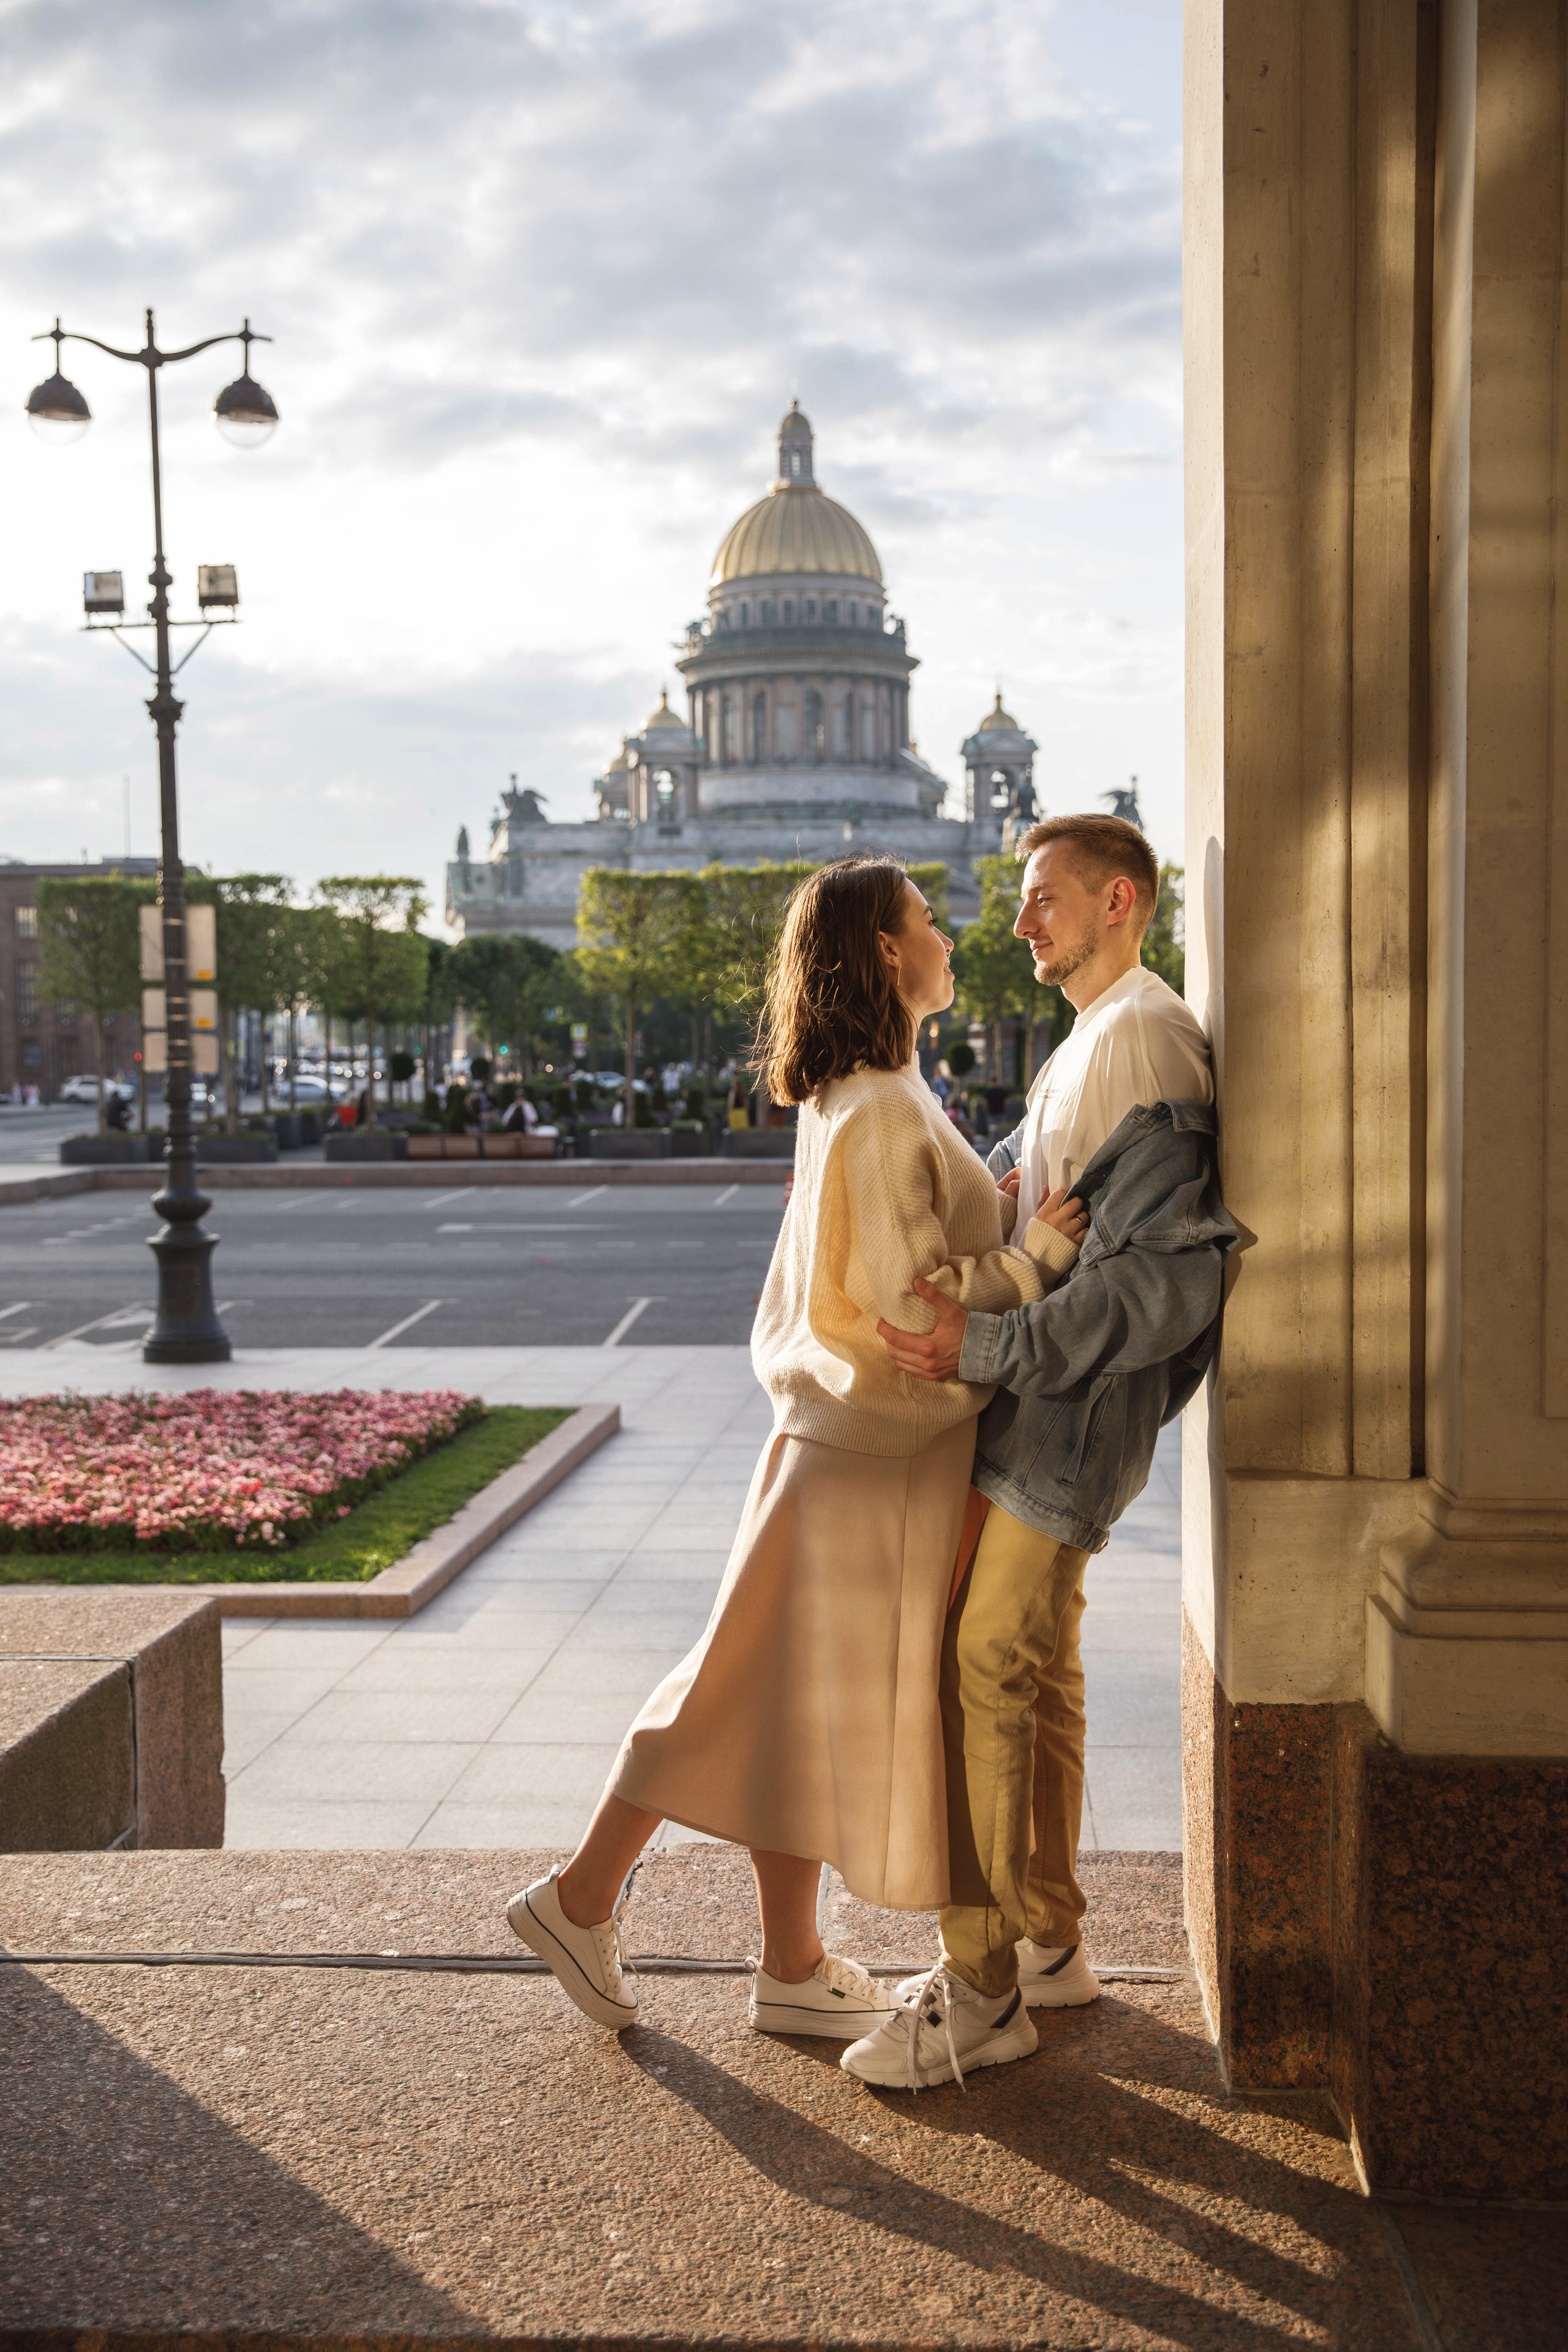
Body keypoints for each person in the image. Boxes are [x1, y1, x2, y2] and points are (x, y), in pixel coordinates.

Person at [506, 856, 1089, 2039]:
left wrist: (998, 1193)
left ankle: (787, 1961)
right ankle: (578, 1898)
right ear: (886, 948)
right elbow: (906, 1301)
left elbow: (896, 1246)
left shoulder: (862, 1091)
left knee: (780, 1700)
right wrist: (1035, 1259)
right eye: (928, 921)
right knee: (740, 1692)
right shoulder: (879, 1103)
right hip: (874, 1455)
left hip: (840, 1446)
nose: (950, 937)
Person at [842, 813, 1237, 2090]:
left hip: (1066, 1422)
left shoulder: (1146, 1040)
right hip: (1048, 1413)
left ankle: (980, 1988)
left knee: (978, 1664)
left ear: (1118, 900)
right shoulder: (1099, 1037)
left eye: (1044, 899)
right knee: (1041, 1668)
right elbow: (1030, 1194)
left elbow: (1159, 1293)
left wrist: (980, 1348)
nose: (1019, 922)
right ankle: (1049, 1938)